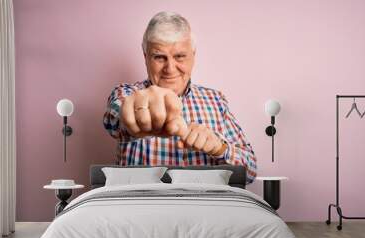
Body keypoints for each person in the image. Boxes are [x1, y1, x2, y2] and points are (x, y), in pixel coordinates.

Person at [103, 11, 257, 183]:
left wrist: (219, 148)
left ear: (193, 55)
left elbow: (250, 172)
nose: (170, 68)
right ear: (146, 57)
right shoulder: (126, 93)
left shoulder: (216, 100)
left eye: (180, 56)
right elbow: (115, 117)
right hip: (143, 207)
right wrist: (133, 115)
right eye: (159, 57)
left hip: (204, 207)